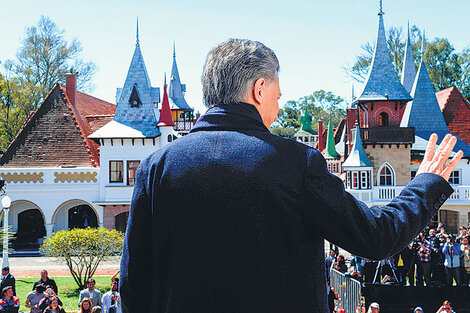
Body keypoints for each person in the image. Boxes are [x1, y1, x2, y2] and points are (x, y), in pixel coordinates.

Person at [120, 38, 462, 313]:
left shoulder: (156, 168)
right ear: (259, 90)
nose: (279, 106)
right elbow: (376, 237)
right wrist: (426, 184)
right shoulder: (295, 163)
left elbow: (134, 285)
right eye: (277, 95)